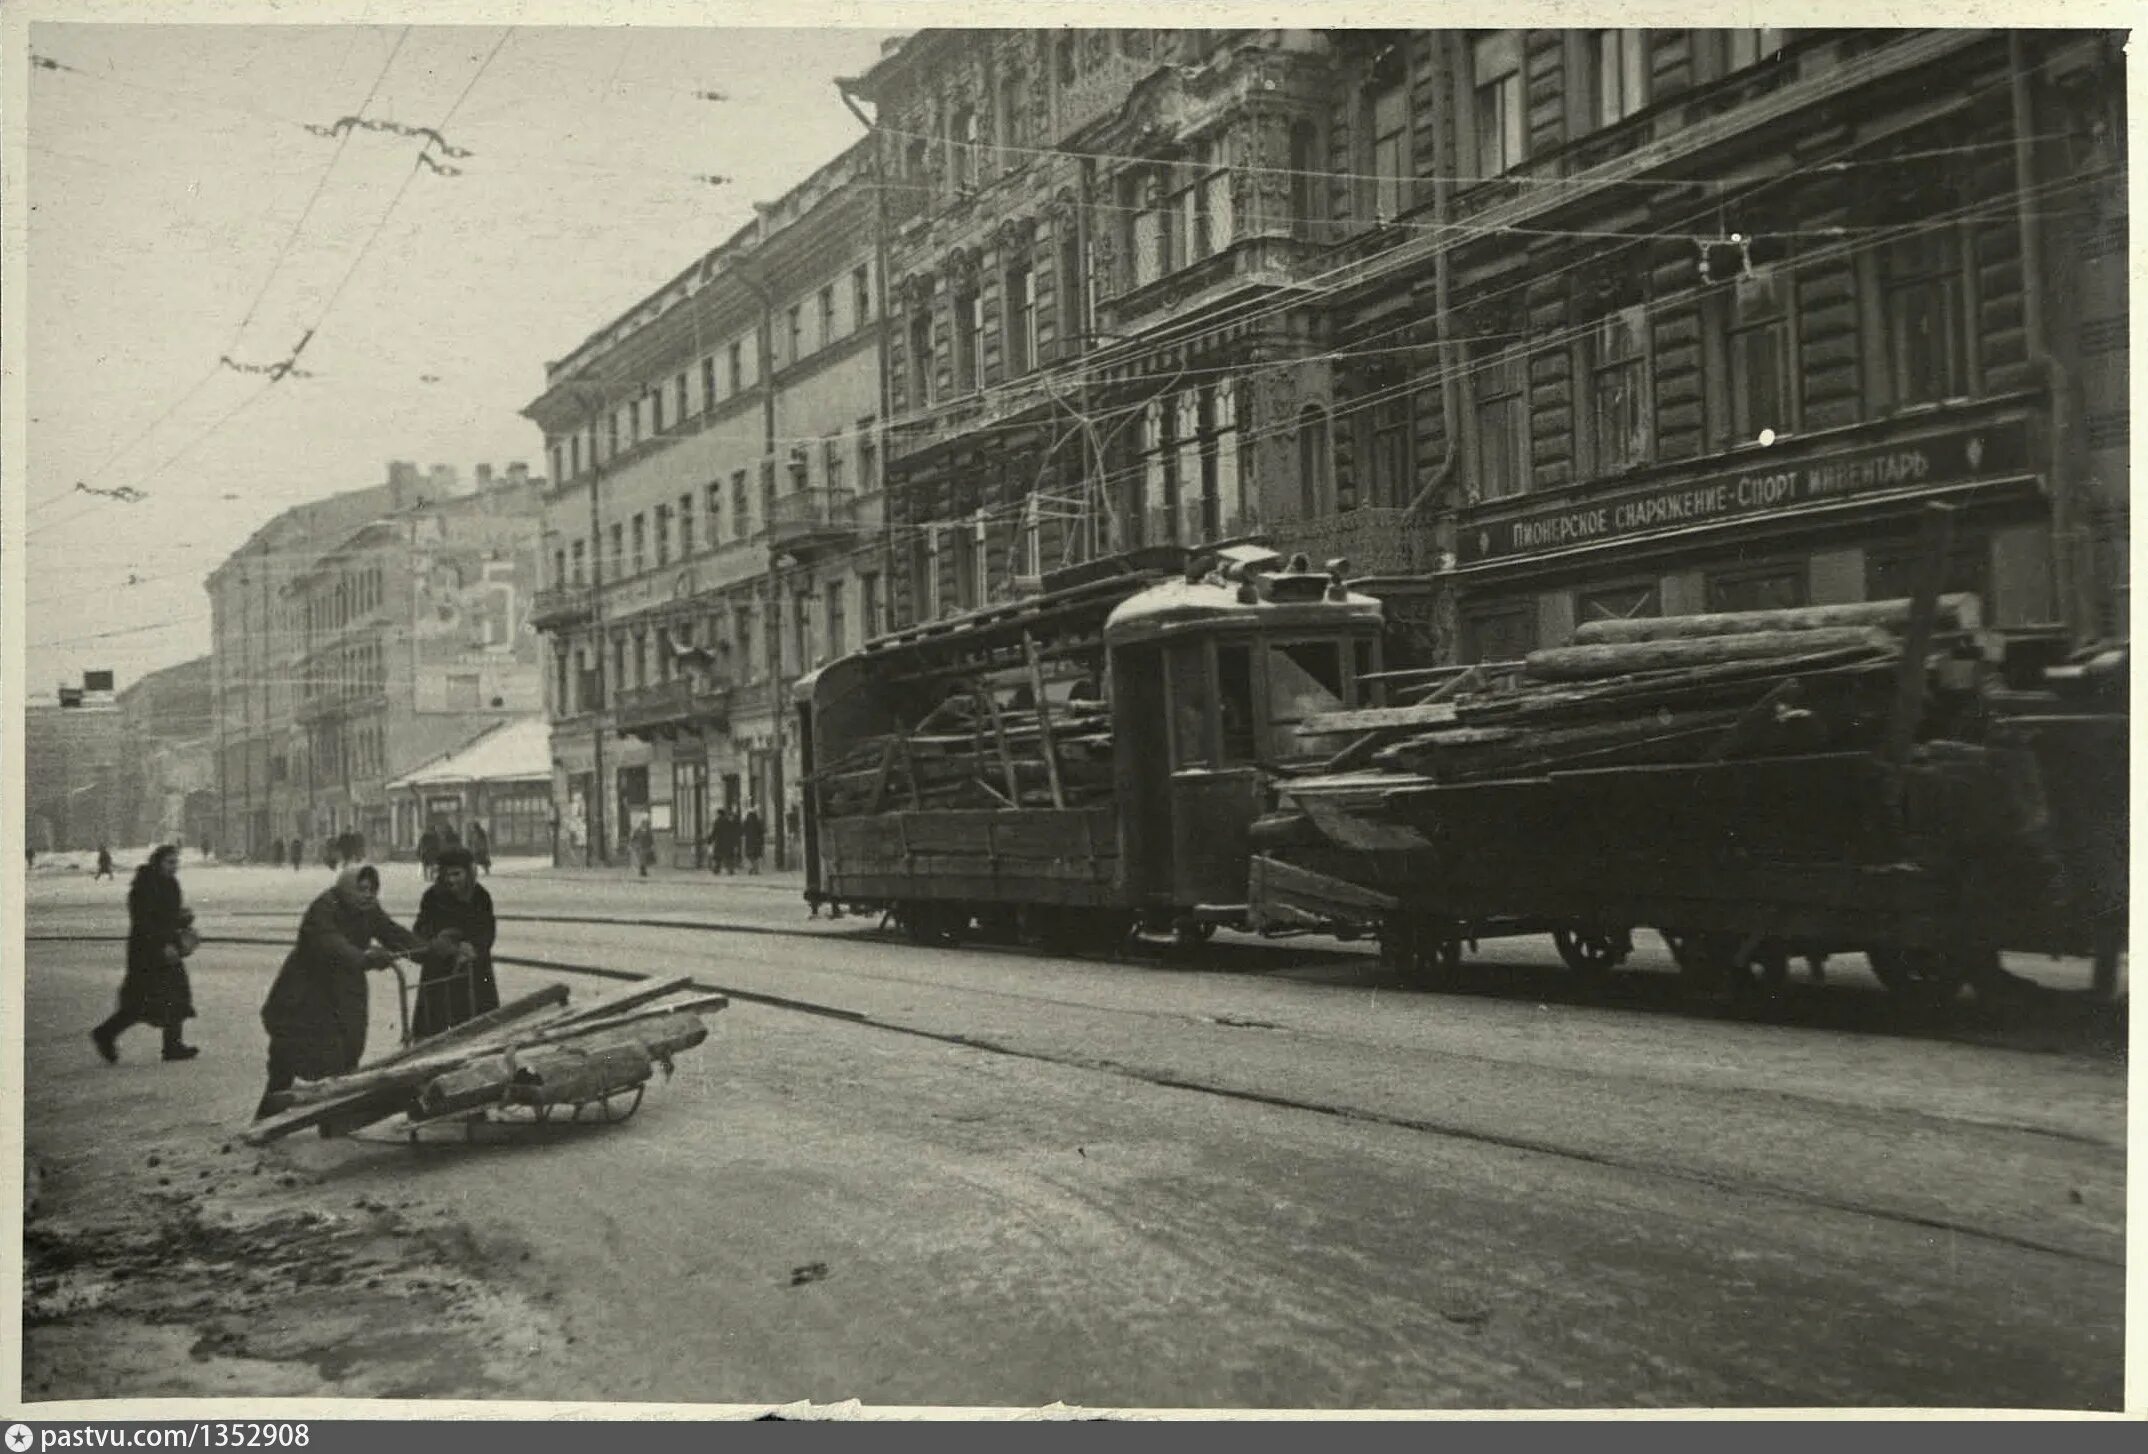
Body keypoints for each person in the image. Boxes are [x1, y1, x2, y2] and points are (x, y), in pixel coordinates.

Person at [252, 863, 424, 1121]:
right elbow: (331, 943)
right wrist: (363, 958)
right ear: (346, 888)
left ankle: (334, 1115)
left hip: (344, 989)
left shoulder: (368, 910)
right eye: (362, 888)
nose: (368, 894)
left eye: (372, 889)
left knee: (348, 1048)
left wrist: (428, 950)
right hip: (305, 990)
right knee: (288, 1053)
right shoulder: (324, 908)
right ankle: (267, 1114)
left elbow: (392, 932)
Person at [92, 845, 199, 1063]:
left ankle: (172, 1046)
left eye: (176, 862)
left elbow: (166, 916)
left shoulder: (170, 883)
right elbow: (143, 921)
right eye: (169, 862)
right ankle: (105, 1034)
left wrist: (183, 919)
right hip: (147, 952)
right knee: (141, 1001)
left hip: (167, 947)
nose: (174, 867)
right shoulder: (144, 885)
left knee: (175, 995)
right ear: (157, 862)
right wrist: (163, 944)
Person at [409, 846, 499, 1038]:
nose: (451, 880)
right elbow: (420, 929)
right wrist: (437, 941)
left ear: (468, 872)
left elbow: (487, 930)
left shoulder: (480, 896)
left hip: (474, 970)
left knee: (478, 1027)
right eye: (446, 875)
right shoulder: (432, 897)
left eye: (457, 874)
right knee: (438, 1028)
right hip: (440, 971)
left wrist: (474, 946)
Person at [711, 808, 739, 875]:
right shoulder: (728, 821)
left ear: (719, 814)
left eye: (717, 814)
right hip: (727, 842)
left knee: (718, 857)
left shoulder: (717, 821)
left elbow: (714, 832)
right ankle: (730, 870)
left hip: (719, 842)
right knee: (728, 857)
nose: (716, 815)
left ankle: (716, 870)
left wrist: (710, 840)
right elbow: (732, 832)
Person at [742, 809, 766, 875]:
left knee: (750, 856)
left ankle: (754, 868)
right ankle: (755, 869)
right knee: (756, 856)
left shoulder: (746, 822)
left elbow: (743, 831)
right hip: (757, 842)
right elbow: (762, 831)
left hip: (749, 842)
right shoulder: (758, 822)